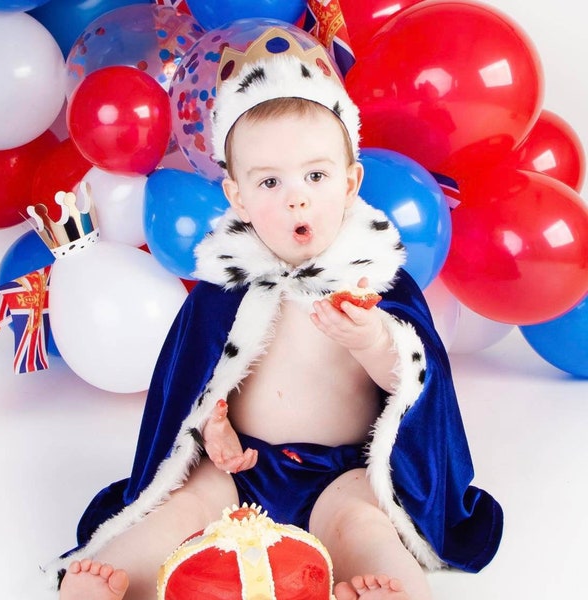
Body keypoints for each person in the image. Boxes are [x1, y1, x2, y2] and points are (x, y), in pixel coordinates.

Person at [53, 28, 503, 600]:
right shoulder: (221, 290)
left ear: (350, 182)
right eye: (270, 181)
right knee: (186, 504)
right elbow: (193, 388)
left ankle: (391, 588)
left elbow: (415, 387)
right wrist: (213, 432)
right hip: (242, 467)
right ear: (237, 198)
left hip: (342, 470)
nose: (297, 196)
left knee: (363, 521)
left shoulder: (375, 284)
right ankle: (114, 579)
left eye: (316, 176)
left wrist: (372, 339)